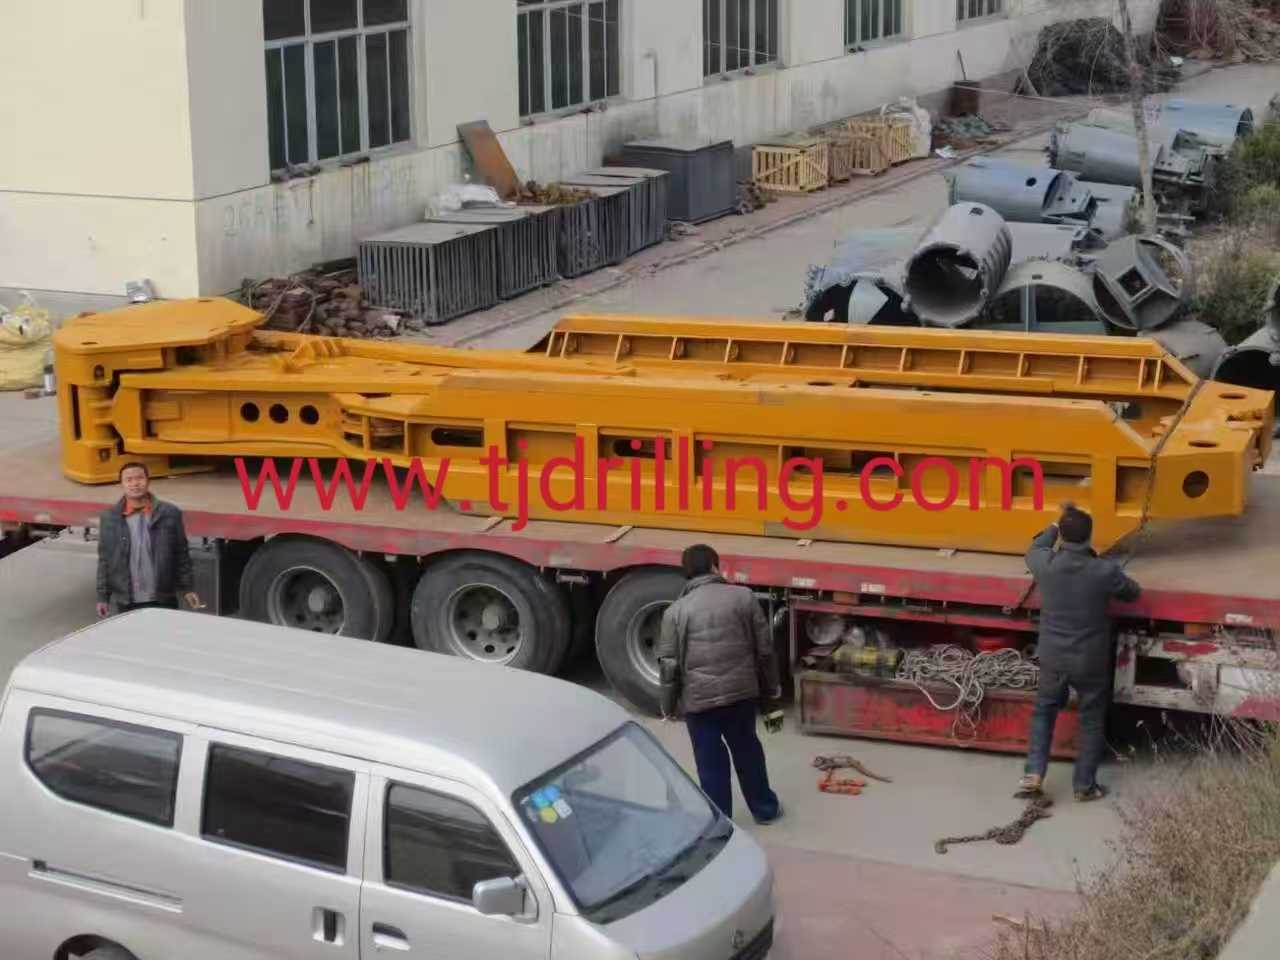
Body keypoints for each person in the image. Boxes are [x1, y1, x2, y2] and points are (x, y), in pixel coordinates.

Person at [1020, 503, 1140, 801]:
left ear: (1062, 535)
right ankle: (1084, 786)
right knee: (1091, 719)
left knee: (1044, 712)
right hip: (1089, 660)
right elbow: (1132, 593)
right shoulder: (1103, 571)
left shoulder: (1045, 565)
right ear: (1089, 536)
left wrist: (1054, 525)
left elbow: (1035, 548)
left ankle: (1033, 774)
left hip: (1053, 657)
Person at [657, 544, 783, 824]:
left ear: (686, 573)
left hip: (699, 702)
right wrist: (771, 689)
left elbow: (669, 666)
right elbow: (764, 651)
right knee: (748, 751)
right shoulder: (744, 597)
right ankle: (765, 809)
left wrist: (668, 706)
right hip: (741, 694)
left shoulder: (674, 612)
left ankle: (721, 822)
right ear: (715, 566)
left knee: (710, 764)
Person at [96, 462, 200, 617]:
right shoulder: (110, 518)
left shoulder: (169, 513)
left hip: (163, 597)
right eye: (129, 479)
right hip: (127, 600)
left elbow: (181, 553)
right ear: (121, 484)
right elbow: (105, 560)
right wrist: (102, 597)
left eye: (139, 478)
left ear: (148, 481)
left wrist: (187, 588)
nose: (135, 483)